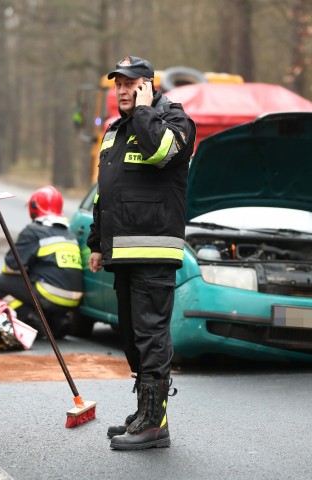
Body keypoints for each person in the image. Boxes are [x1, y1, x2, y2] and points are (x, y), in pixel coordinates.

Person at [87, 56, 196, 450]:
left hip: (154, 251)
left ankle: (154, 423)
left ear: (148, 85)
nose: (121, 91)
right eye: (118, 84)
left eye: (131, 84)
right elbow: (107, 192)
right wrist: (98, 242)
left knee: (150, 337)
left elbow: (160, 153)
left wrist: (147, 109)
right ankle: (146, 413)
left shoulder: (175, 121)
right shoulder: (116, 130)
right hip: (123, 252)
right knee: (133, 338)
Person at [0, 185, 83, 339]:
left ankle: (31, 318)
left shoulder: (34, 231)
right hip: (74, 300)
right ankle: (58, 321)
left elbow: (11, 266)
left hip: (49, 295)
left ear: (34, 207)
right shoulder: (69, 234)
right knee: (40, 280)